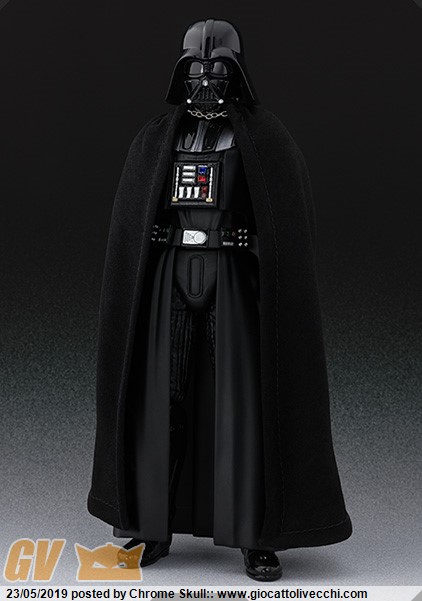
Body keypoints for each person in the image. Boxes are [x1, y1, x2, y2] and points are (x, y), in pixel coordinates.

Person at [88, 19, 352, 581]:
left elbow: (286, 227)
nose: (206, 82)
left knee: (243, 403)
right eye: (196, 72)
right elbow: (134, 223)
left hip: (232, 281)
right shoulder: (157, 140)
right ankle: (151, 525)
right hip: (168, 281)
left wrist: (257, 256)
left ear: (237, 75)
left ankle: (256, 535)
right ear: (181, 74)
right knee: (161, 399)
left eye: (217, 72)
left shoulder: (264, 139)